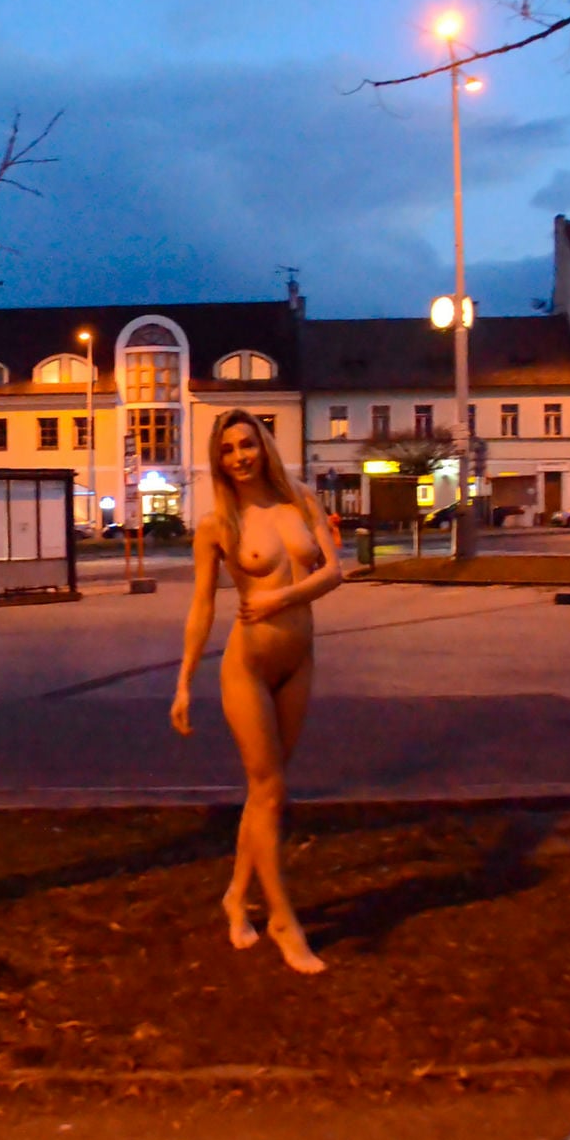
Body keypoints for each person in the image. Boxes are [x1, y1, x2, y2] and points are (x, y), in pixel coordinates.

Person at [171, 407, 344, 972]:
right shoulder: (217, 524)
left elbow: (334, 572)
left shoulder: (300, 500)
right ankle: (283, 921)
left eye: (246, 444)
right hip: (246, 668)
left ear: (263, 444)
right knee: (270, 792)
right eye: (227, 450)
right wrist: (184, 681)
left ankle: (234, 896)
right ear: (218, 461)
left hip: (299, 659)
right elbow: (202, 605)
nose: (239, 456)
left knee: (266, 793)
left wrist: (280, 598)